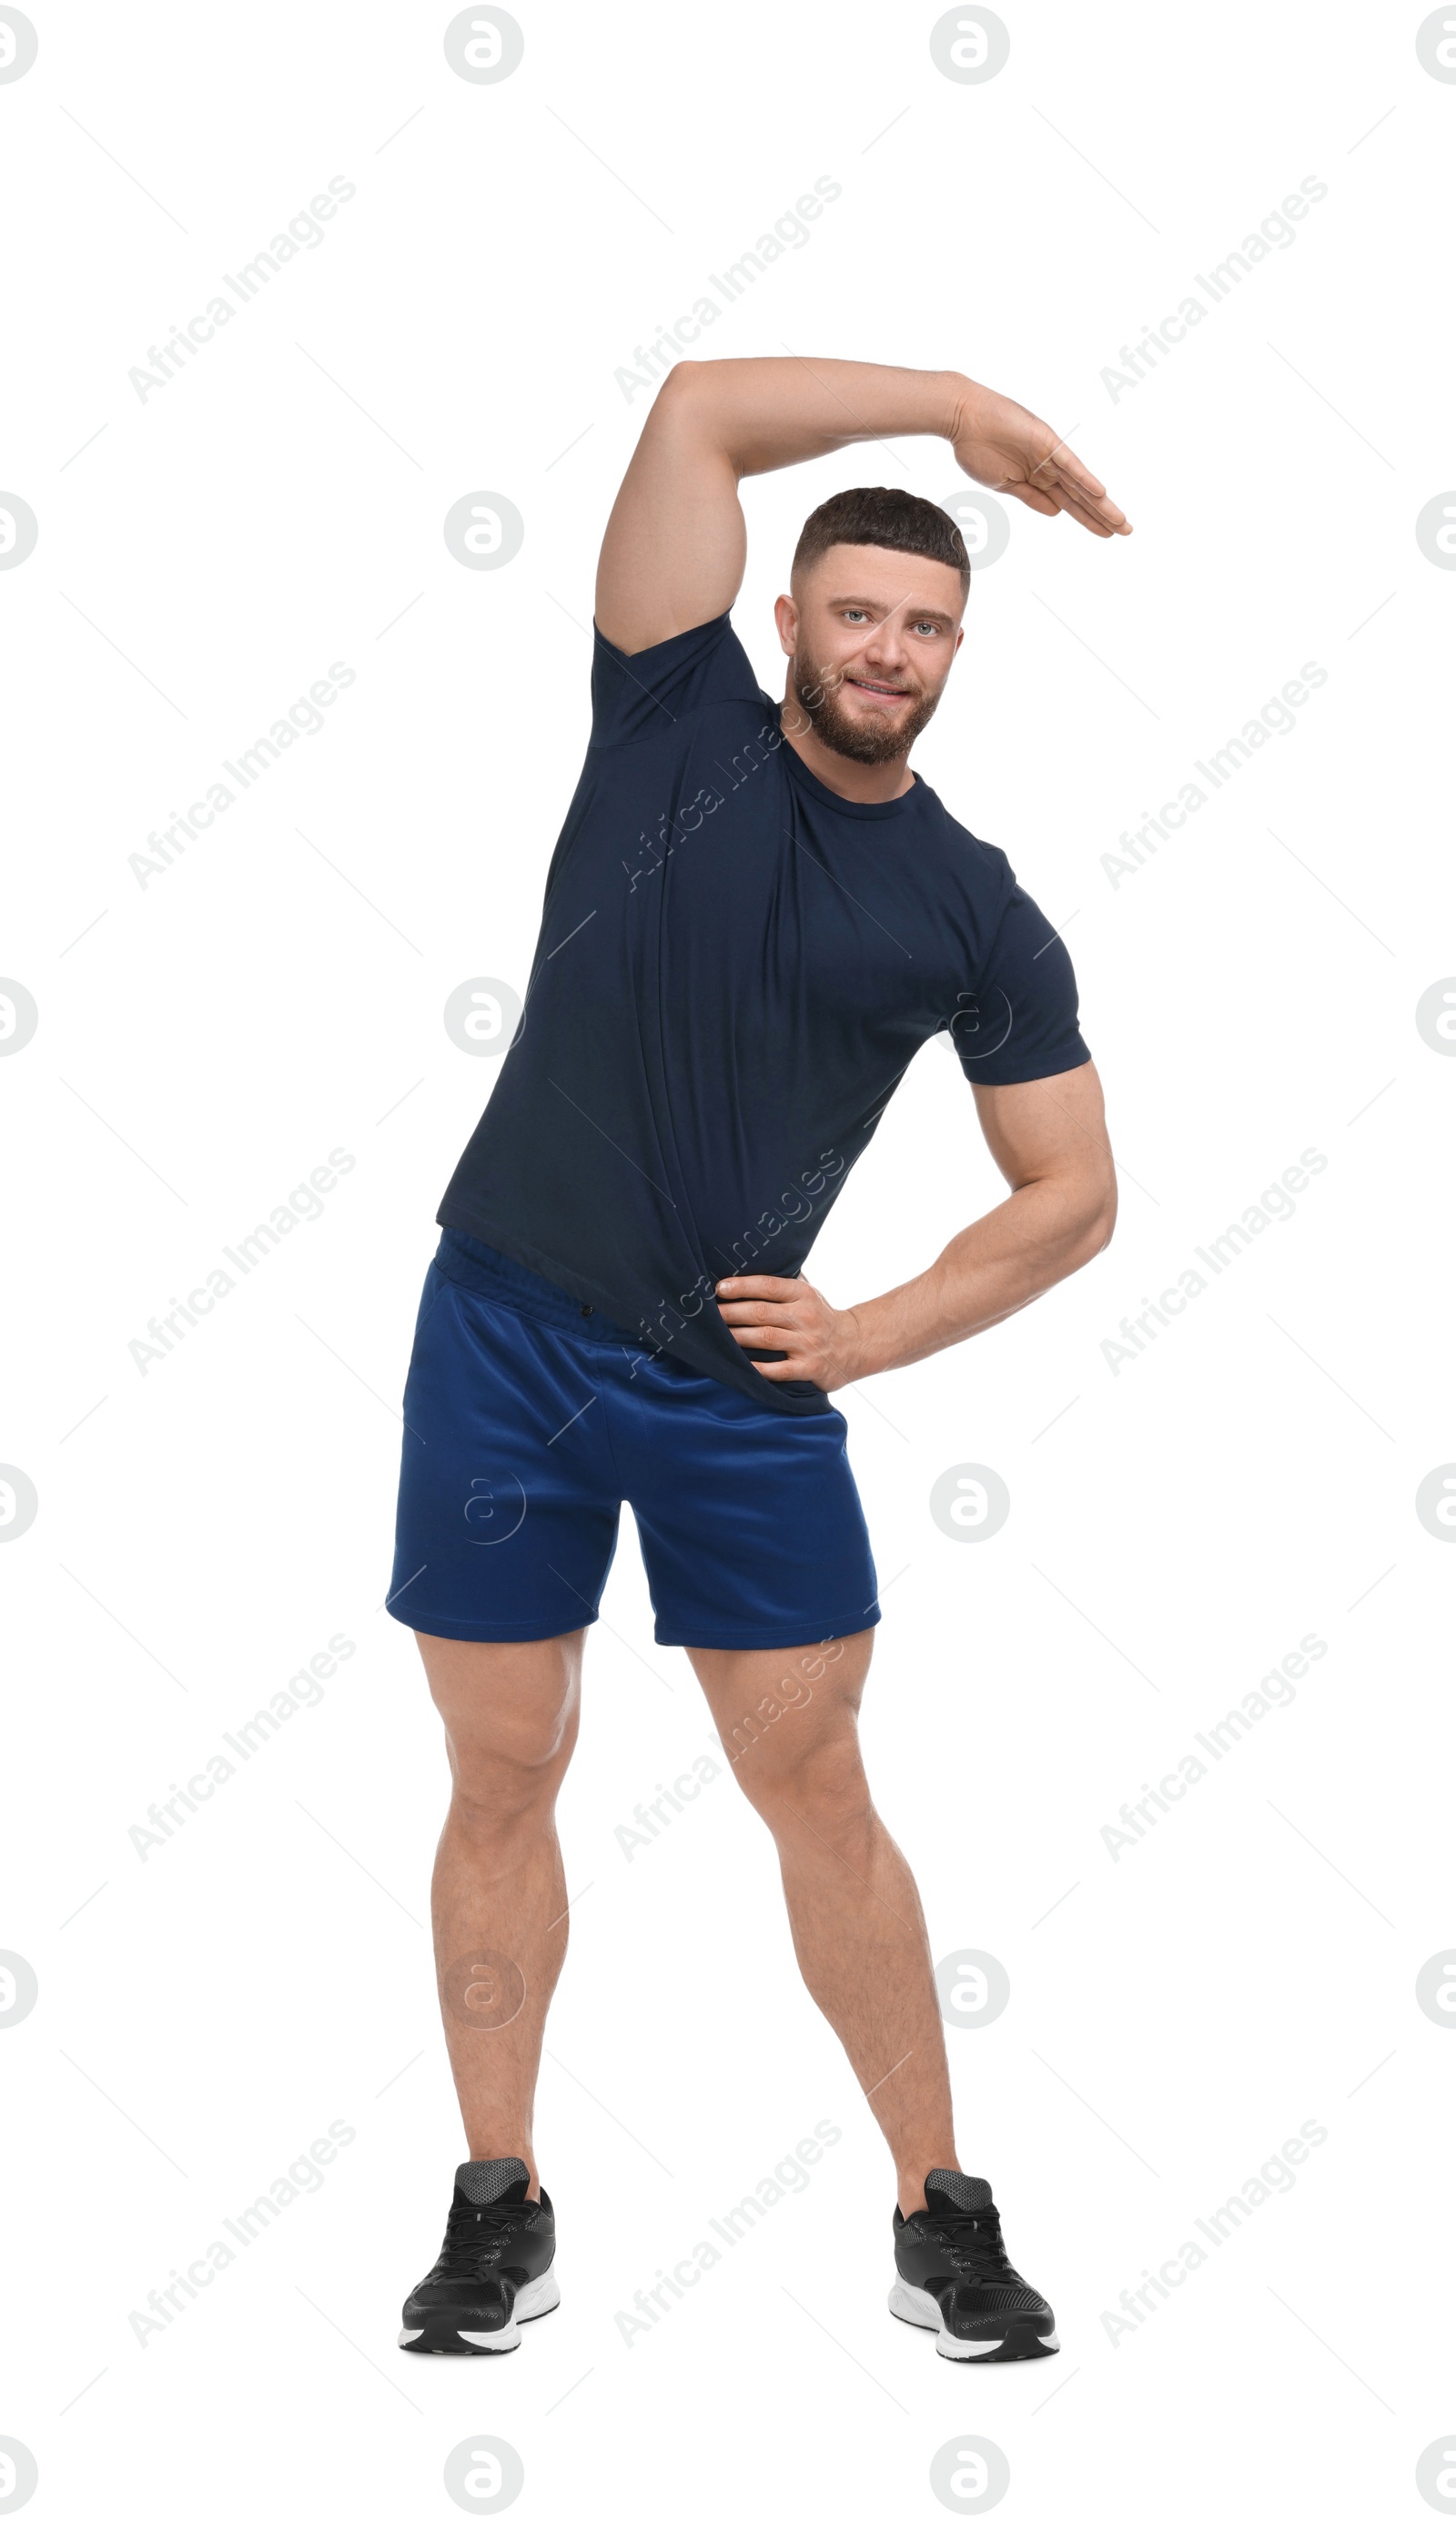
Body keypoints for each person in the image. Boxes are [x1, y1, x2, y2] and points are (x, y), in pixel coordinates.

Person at [390, 357, 1126, 2363]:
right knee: (504, 1765)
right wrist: (954, 409)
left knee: (810, 1781)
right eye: (859, 611)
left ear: (954, 654)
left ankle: (937, 2215)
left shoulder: (969, 907)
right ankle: (496, 2200)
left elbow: (1068, 1190)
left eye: (926, 626)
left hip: (740, 1389)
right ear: (789, 620)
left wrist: (873, 1330)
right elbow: (698, 409)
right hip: (507, 1331)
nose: (889, 648)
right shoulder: (670, 715)